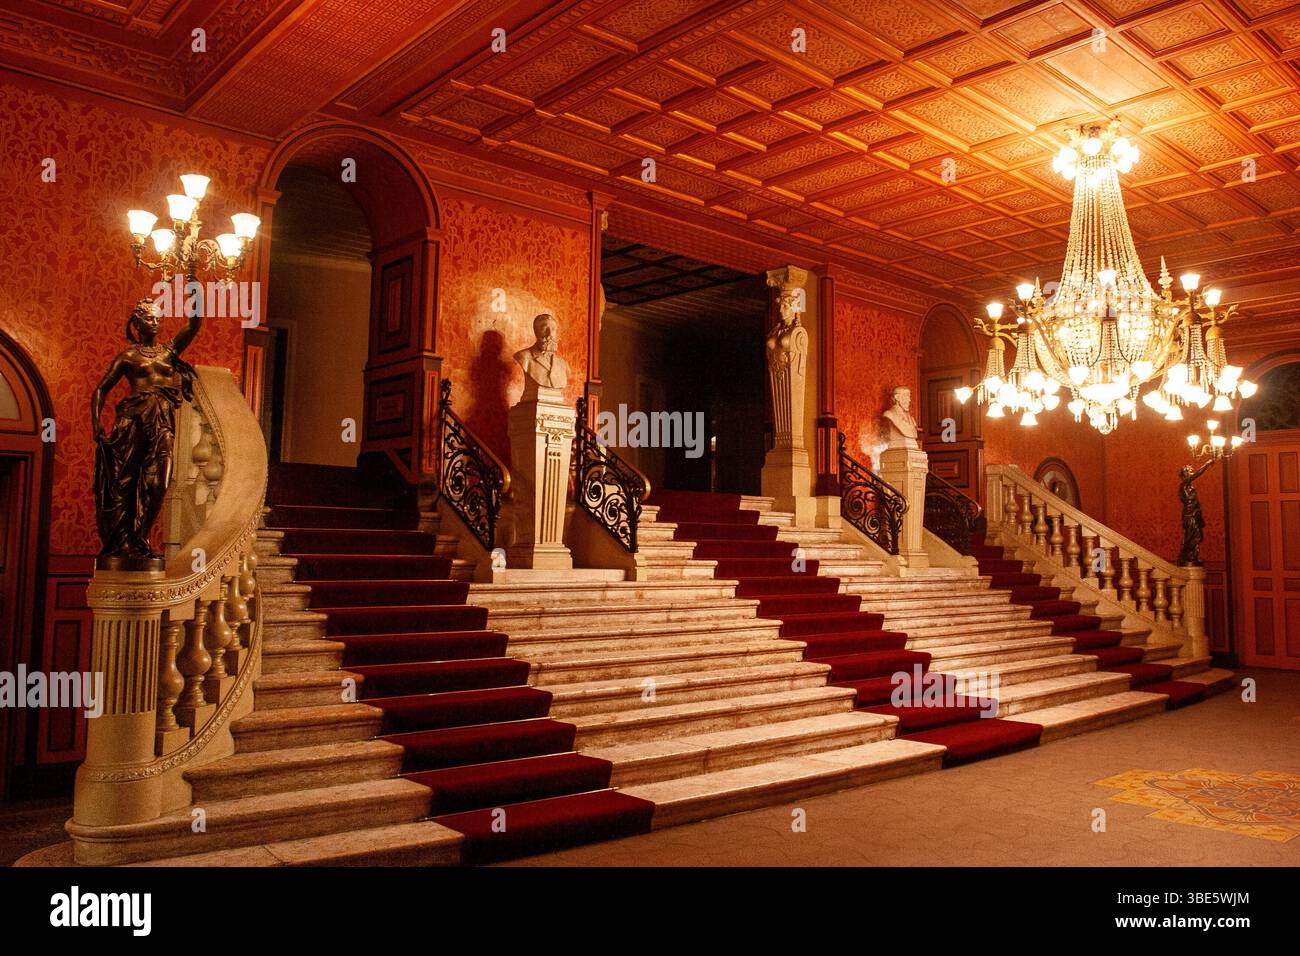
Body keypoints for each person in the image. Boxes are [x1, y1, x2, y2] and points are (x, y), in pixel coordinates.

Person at [91, 296, 199, 567]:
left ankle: (140, 536)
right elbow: (101, 389)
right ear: (137, 323)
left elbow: (194, 325)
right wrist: (96, 425)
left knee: (159, 482)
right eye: (149, 318)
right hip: (133, 420)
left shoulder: (168, 351)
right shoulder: (128, 356)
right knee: (125, 482)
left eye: (157, 318)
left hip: (161, 420)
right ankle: (124, 541)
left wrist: (193, 285)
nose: (155, 322)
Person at [513, 313, 570, 398]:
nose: (549, 333)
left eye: (553, 329)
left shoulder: (563, 364)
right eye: (544, 328)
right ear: (536, 332)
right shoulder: (524, 357)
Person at [1177, 459, 1214, 565]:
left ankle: (1192, 555)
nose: (1192, 472)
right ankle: (1186, 555)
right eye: (1189, 470)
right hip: (1189, 515)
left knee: (1197, 536)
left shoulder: (1189, 486)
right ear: (1185, 474)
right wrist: (1206, 464)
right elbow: (1197, 474)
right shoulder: (1183, 484)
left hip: (1195, 514)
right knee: (1190, 536)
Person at [882, 386, 920, 450]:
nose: (909, 400)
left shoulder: (911, 418)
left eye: (909, 397)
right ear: (897, 398)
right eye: (906, 396)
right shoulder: (889, 414)